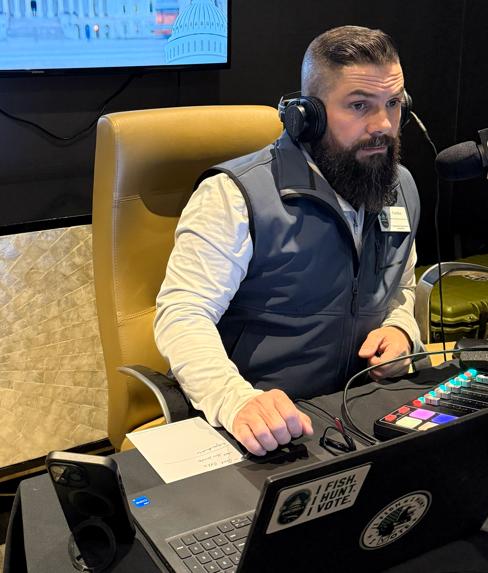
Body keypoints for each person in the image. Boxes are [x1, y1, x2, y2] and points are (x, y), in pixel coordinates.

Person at [154, 26, 421, 456]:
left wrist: (400, 328)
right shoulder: (233, 196)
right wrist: (234, 400)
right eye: (359, 105)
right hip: (261, 427)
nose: (384, 126)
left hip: (356, 414)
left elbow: (400, 287)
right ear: (307, 115)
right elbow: (183, 313)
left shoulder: (399, 187)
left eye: (393, 103)